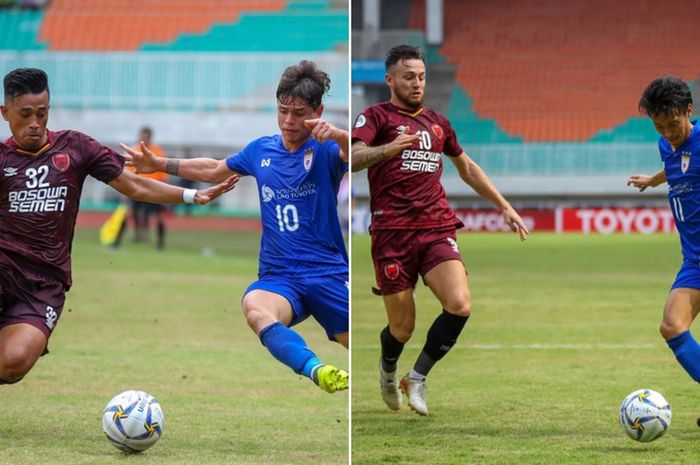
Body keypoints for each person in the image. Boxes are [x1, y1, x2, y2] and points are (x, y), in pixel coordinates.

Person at [123, 60, 349, 393]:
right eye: (283, 110)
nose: (288, 120)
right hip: (280, 275)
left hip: (327, 273)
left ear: (319, 111)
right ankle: (317, 370)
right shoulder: (262, 150)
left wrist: (341, 134)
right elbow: (215, 168)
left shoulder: (328, 148)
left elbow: (358, 153)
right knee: (255, 307)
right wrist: (160, 163)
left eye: (299, 113)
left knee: (363, 350)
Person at [0, 68, 237, 385]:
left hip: (43, 284)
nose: (34, 123)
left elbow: (135, 186)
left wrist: (193, 195)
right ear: (5, 113)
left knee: (12, 363)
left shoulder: (75, 148)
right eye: (25, 114)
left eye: (41, 113)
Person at [351, 45, 529, 416]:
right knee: (402, 329)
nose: (417, 83)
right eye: (408, 77)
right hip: (392, 232)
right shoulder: (374, 117)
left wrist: (504, 205)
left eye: (421, 76)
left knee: (460, 305)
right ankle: (388, 371)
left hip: (436, 227)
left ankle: (416, 377)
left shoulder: (438, 123)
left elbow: (467, 167)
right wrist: (388, 148)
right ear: (390, 79)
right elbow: (352, 158)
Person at [628, 76, 700, 407]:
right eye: (659, 127)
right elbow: (677, 166)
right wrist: (653, 180)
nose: (668, 133)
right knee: (672, 326)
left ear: (689, 110)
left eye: (673, 124)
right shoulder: (666, 145)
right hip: (694, 261)